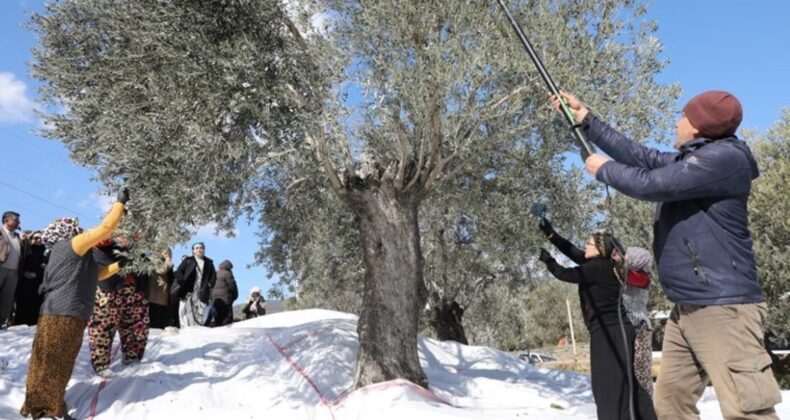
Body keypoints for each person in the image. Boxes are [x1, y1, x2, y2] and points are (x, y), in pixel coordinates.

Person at [553, 91, 782, 419]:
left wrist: (604, 170)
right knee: (671, 404)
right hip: (688, 305)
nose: (678, 122)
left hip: (724, 307)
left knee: (747, 411)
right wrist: (586, 120)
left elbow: (652, 184)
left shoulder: (724, 161)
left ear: (699, 127)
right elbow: (640, 157)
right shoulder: (693, 160)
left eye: (684, 117)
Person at [20, 188, 128, 419]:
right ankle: (50, 408)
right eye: (76, 226)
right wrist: (119, 204)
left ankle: (38, 405)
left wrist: (120, 264)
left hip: (60, 312)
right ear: (68, 231)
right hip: (65, 312)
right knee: (58, 360)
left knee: (48, 359)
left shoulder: (68, 252)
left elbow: (95, 275)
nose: (81, 229)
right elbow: (105, 229)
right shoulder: (72, 245)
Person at [537, 220, 655, 420]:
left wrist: (548, 260)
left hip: (612, 333)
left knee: (610, 387)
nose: (585, 246)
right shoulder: (598, 264)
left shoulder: (598, 268)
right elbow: (572, 250)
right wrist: (551, 234)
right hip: (609, 332)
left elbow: (565, 274)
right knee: (611, 386)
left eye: (589, 244)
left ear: (600, 249)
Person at [88, 236, 150, 377]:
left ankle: (132, 355)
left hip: (134, 286)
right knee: (103, 325)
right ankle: (101, 364)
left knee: (136, 323)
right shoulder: (108, 226)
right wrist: (119, 236)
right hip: (108, 285)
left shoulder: (139, 229)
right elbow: (99, 240)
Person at [620, 246, 655, 398]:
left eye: (628, 256)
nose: (624, 258)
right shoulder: (630, 274)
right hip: (627, 327)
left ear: (637, 260)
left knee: (641, 374)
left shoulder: (642, 277)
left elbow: (626, 277)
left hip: (639, 328)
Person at [173, 242, 216, 327]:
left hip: (202, 290)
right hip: (188, 289)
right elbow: (178, 272)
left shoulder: (209, 262)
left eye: (201, 247)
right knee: (185, 308)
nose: (199, 249)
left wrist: (209, 285)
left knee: (200, 309)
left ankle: (198, 327)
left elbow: (213, 275)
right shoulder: (188, 260)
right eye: (196, 248)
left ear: (204, 250)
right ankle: (186, 327)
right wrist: (183, 281)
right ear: (193, 251)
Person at [13, 231, 48, 326]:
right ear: (31, 239)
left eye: (41, 238)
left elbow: (47, 268)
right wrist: (24, 272)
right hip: (25, 282)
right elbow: (20, 262)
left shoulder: (46, 252)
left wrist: (36, 274)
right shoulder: (26, 250)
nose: (38, 240)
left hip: (38, 282)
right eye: (36, 238)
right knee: (23, 304)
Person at [0, 210, 25, 328]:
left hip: (14, 271)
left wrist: (24, 240)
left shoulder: (17, 236)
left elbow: (26, 252)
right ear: (6, 220)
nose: (18, 223)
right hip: (1, 267)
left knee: (7, 298)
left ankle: (2, 322)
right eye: (15, 220)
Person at [147, 248, 175, 329]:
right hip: (156, 295)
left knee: (162, 320)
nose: (167, 254)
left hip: (163, 294)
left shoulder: (164, 261)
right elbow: (162, 270)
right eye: (165, 252)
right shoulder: (154, 260)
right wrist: (168, 259)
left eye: (169, 253)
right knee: (155, 320)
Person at [209, 260, 238, 326]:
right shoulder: (228, 273)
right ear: (229, 267)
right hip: (226, 301)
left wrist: (211, 299)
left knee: (218, 320)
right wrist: (234, 297)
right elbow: (232, 287)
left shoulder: (215, 273)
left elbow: (210, 288)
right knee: (227, 321)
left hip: (215, 301)